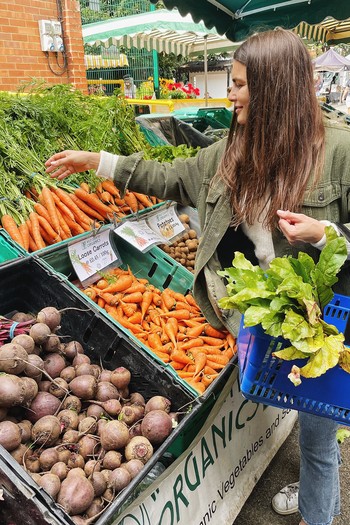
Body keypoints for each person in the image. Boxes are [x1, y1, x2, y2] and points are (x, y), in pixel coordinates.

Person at [46, 29, 350, 525]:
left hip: (322, 325)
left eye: (240, 85)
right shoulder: (233, 148)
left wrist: (325, 235)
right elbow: (170, 176)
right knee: (285, 400)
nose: (230, 94)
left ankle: (319, 507)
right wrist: (97, 162)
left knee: (318, 437)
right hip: (258, 314)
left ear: (276, 89)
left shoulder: (339, 150)